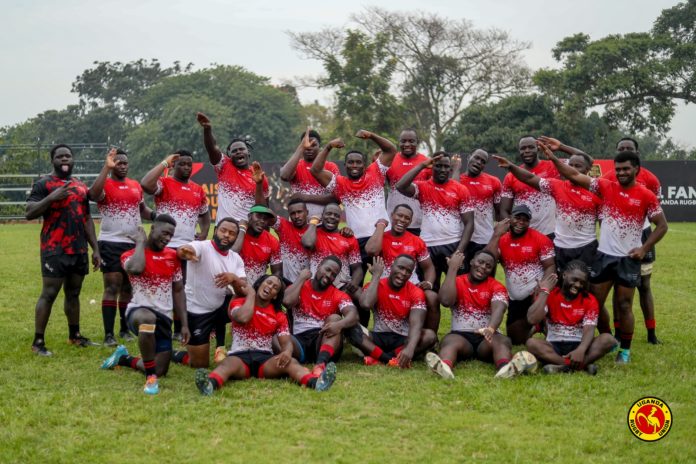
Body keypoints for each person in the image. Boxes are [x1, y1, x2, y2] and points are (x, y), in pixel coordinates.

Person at [542, 146, 668, 364]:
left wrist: (643, 249)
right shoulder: (604, 186)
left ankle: (624, 351)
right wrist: (553, 157)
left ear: (636, 169)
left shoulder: (646, 195)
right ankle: (596, 340)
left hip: (628, 260)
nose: (621, 173)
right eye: (618, 169)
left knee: (624, 305)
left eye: (626, 169)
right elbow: (573, 174)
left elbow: (662, 226)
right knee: (593, 303)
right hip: (603, 256)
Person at [193, 275, 337, 395]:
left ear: (275, 296)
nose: (271, 287)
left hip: (264, 360)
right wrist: (251, 294)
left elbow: (286, 342)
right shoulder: (239, 302)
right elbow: (242, 318)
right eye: (268, 282)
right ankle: (209, 385)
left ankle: (316, 383)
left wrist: (287, 352)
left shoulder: (279, 315)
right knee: (227, 364)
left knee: (291, 363)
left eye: (275, 288)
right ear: (260, 284)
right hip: (239, 357)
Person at [100, 215, 190, 395]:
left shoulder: (173, 257)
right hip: (138, 312)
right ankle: (150, 378)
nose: (167, 238)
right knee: (148, 319)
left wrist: (185, 324)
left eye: (171, 235)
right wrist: (140, 243)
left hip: (164, 318)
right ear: (152, 229)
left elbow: (178, 291)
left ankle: (124, 358)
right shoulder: (130, 256)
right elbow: (135, 269)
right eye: (164, 233)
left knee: (161, 369)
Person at [26, 144, 101, 356]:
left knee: (74, 293)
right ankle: (38, 342)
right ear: (53, 160)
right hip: (54, 248)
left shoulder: (79, 186)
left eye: (68, 156)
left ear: (73, 159)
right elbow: (29, 212)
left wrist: (95, 248)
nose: (64, 159)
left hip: (77, 249)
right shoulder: (44, 184)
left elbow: (87, 220)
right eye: (60, 157)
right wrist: (52, 197)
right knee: (49, 294)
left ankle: (74, 336)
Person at [493, 143, 600, 273]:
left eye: (578, 166)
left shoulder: (597, 190)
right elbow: (530, 177)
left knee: (583, 286)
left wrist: (560, 147)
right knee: (560, 285)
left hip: (586, 248)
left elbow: (604, 224)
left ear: (588, 169)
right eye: (570, 165)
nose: (573, 169)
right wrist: (511, 166)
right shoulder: (556, 186)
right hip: (560, 247)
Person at [427, 250, 532, 379]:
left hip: (487, 336)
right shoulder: (457, 282)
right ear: (471, 262)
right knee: (450, 342)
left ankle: (505, 368)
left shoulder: (497, 286)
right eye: (480, 262)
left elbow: (499, 309)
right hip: (461, 336)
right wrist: (452, 269)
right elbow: (445, 301)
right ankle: (445, 367)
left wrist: (491, 328)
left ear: (492, 270)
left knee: (501, 342)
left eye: (488, 266)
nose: (483, 267)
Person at [141, 150, 210, 340]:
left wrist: (203, 232)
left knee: (182, 289)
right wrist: (164, 162)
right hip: (164, 246)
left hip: (186, 248)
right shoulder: (164, 183)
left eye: (189, 164)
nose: (186, 167)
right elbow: (146, 184)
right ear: (174, 166)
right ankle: (158, 326)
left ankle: (179, 329)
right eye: (182, 164)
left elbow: (205, 214)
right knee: (161, 288)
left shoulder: (197, 189)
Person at [89, 148, 154, 346]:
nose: (123, 166)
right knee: (112, 287)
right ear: (112, 164)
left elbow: (142, 210)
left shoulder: (135, 185)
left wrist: (158, 216)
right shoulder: (105, 184)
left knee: (128, 288)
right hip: (111, 243)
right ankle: (109, 335)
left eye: (125, 163)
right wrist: (105, 168)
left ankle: (124, 329)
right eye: (118, 163)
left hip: (134, 243)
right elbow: (92, 195)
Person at [603, 137, 663, 344]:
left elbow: (658, 215)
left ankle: (651, 333)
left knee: (644, 285)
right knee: (617, 287)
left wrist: (645, 247)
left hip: (642, 234)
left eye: (630, 149)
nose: (626, 150)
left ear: (637, 154)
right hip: (616, 240)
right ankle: (618, 334)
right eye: (621, 148)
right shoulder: (610, 177)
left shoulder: (651, 180)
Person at [308, 131, 397, 263]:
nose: (354, 165)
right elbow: (315, 170)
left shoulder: (375, 172)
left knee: (385, 279)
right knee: (356, 280)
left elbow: (391, 150)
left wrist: (372, 135)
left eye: (358, 162)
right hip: (356, 239)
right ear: (345, 165)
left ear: (364, 165)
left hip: (382, 235)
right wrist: (328, 147)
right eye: (350, 162)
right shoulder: (340, 184)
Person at [171, 217, 248, 368]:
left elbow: (244, 289)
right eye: (223, 231)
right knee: (200, 364)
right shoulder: (202, 247)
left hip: (220, 309)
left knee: (247, 302)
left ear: (236, 237)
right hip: (198, 311)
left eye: (232, 233)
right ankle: (172, 353)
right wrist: (185, 252)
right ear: (215, 231)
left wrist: (233, 279)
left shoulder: (236, 259)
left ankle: (241, 346)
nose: (226, 235)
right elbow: (186, 249)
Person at [394, 152, 474, 292]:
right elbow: (400, 186)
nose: (443, 170)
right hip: (427, 247)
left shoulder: (461, 189)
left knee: (459, 292)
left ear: (450, 169)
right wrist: (422, 165)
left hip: (453, 245)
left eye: (446, 166)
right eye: (438, 166)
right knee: (429, 292)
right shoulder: (423, 187)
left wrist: (458, 252)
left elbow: (469, 224)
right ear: (431, 167)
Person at [526, 261, 618, 375]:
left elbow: (589, 329)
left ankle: (561, 367)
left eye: (582, 283)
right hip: (554, 345)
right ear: (564, 275)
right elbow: (532, 319)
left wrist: (581, 349)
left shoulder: (589, 300)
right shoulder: (550, 294)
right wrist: (544, 292)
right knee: (531, 343)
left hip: (579, 344)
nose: (578, 285)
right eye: (575, 280)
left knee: (608, 340)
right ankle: (578, 366)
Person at [364, 204, 441, 335]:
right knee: (362, 295)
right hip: (384, 284)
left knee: (432, 297)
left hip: (410, 285)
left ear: (410, 221)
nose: (402, 220)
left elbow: (428, 267)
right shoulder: (381, 238)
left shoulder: (416, 241)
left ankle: (430, 338)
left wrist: (428, 283)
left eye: (406, 218)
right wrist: (381, 225)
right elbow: (371, 251)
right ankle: (364, 334)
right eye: (399, 215)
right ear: (392, 215)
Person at [485, 208, 556, 345]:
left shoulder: (541, 239)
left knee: (550, 339)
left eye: (525, 220)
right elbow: (488, 259)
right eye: (517, 218)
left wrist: (542, 286)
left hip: (536, 293)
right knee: (516, 340)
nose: (520, 222)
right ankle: (535, 326)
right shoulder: (502, 239)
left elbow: (550, 266)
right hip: (516, 298)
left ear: (529, 222)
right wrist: (496, 234)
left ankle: (545, 324)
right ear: (510, 218)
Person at [350, 256, 437, 368]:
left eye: (408, 271)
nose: (403, 273)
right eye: (400, 268)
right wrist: (376, 275)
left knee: (429, 336)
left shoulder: (416, 292)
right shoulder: (376, 285)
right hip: (377, 337)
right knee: (352, 328)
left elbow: (417, 324)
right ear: (391, 267)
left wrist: (410, 348)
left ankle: (378, 358)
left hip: (402, 339)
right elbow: (366, 304)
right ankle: (388, 360)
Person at [282, 259, 360, 374]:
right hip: (299, 340)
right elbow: (287, 302)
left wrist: (339, 325)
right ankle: (298, 363)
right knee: (277, 339)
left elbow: (353, 315)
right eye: (327, 270)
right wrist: (301, 278)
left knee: (335, 318)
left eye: (334, 274)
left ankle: (320, 365)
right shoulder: (300, 287)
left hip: (323, 338)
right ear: (318, 266)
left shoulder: (338, 294)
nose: (329, 275)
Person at [197, 112, 270, 222]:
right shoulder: (224, 165)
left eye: (241, 149)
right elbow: (212, 148)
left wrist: (259, 183)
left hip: (246, 230)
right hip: (223, 229)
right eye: (234, 151)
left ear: (248, 153)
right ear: (229, 156)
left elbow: (263, 211)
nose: (238, 152)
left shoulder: (260, 176)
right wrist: (207, 129)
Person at [301, 203, 364, 321]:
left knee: (363, 298)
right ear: (322, 215)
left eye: (336, 215)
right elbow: (307, 243)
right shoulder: (314, 233)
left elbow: (358, 268)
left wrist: (353, 284)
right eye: (328, 213)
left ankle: (360, 328)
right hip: (318, 282)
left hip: (341, 285)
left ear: (340, 218)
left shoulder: (348, 238)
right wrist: (314, 222)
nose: (332, 217)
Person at [500, 136, 560, 237]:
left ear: (538, 148)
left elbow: (584, 160)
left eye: (531, 147)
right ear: (519, 151)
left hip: (551, 233)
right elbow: (504, 210)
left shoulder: (553, 167)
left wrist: (561, 147)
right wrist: (514, 230)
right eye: (523, 148)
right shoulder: (511, 176)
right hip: (524, 235)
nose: (527, 151)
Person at [455, 149, 503, 272]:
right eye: (476, 158)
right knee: (462, 279)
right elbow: (453, 193)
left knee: (486, 278)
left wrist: (498, 239)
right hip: (462, 239)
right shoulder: (457, 180)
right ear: (469, 157)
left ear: (485, 165)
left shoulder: (494, 182)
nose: (478, 162)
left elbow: (499, 212)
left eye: (482, 161)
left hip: (485, 239)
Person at [279, 128, 340, 218]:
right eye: (306, 146)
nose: (309, 148)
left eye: (313, 145)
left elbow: (337, 198)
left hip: (324, 224)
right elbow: (284, 176)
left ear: (320, 147)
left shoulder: (331, 167)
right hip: (299, 224)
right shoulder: (295, 165)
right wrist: (301, 147)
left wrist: (305, 197)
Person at [385, 128, 431, 235]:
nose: (407, 144)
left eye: (411, 141)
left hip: (418, 223)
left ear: (417, 142)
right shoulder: (390, 160)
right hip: (393, 221)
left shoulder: (426, 163)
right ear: (399, 142)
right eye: (403, 141)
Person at [232, 205, 282, 285]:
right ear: (249, 216)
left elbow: (277, 273)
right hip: (233, 288)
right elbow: (231, 253)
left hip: (257, 291)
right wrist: (242, 230)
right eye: (258, 216)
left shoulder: (273, 241)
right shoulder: (236, 233)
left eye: (265, 219)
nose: (262, 221)